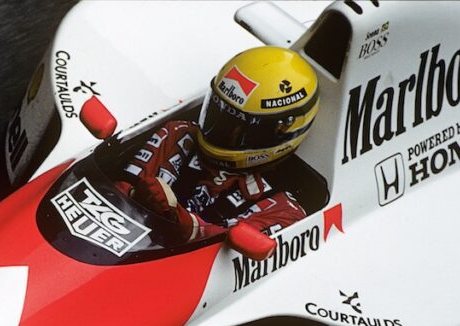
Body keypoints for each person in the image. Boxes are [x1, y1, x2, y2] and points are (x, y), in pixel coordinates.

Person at [118, 46, 319, 254]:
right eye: (218, 113)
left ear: (280, 131)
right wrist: (136, 193)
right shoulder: (179, 135)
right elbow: (118, 190)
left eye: (239, 128)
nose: (221, 130)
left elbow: (220, 253)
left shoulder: (285, 210)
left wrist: (182, 222)